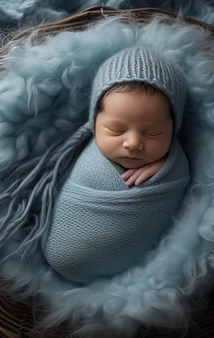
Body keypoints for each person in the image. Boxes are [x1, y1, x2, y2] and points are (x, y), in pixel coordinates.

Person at [43, 46, 191, 284]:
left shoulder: (176, 161)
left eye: (153, 133)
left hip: (133, 274)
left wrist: (168, 167)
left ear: (173, 131)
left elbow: (181, 179)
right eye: (116, 130)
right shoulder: (85, 155)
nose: (132, 143)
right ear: (94, 122)